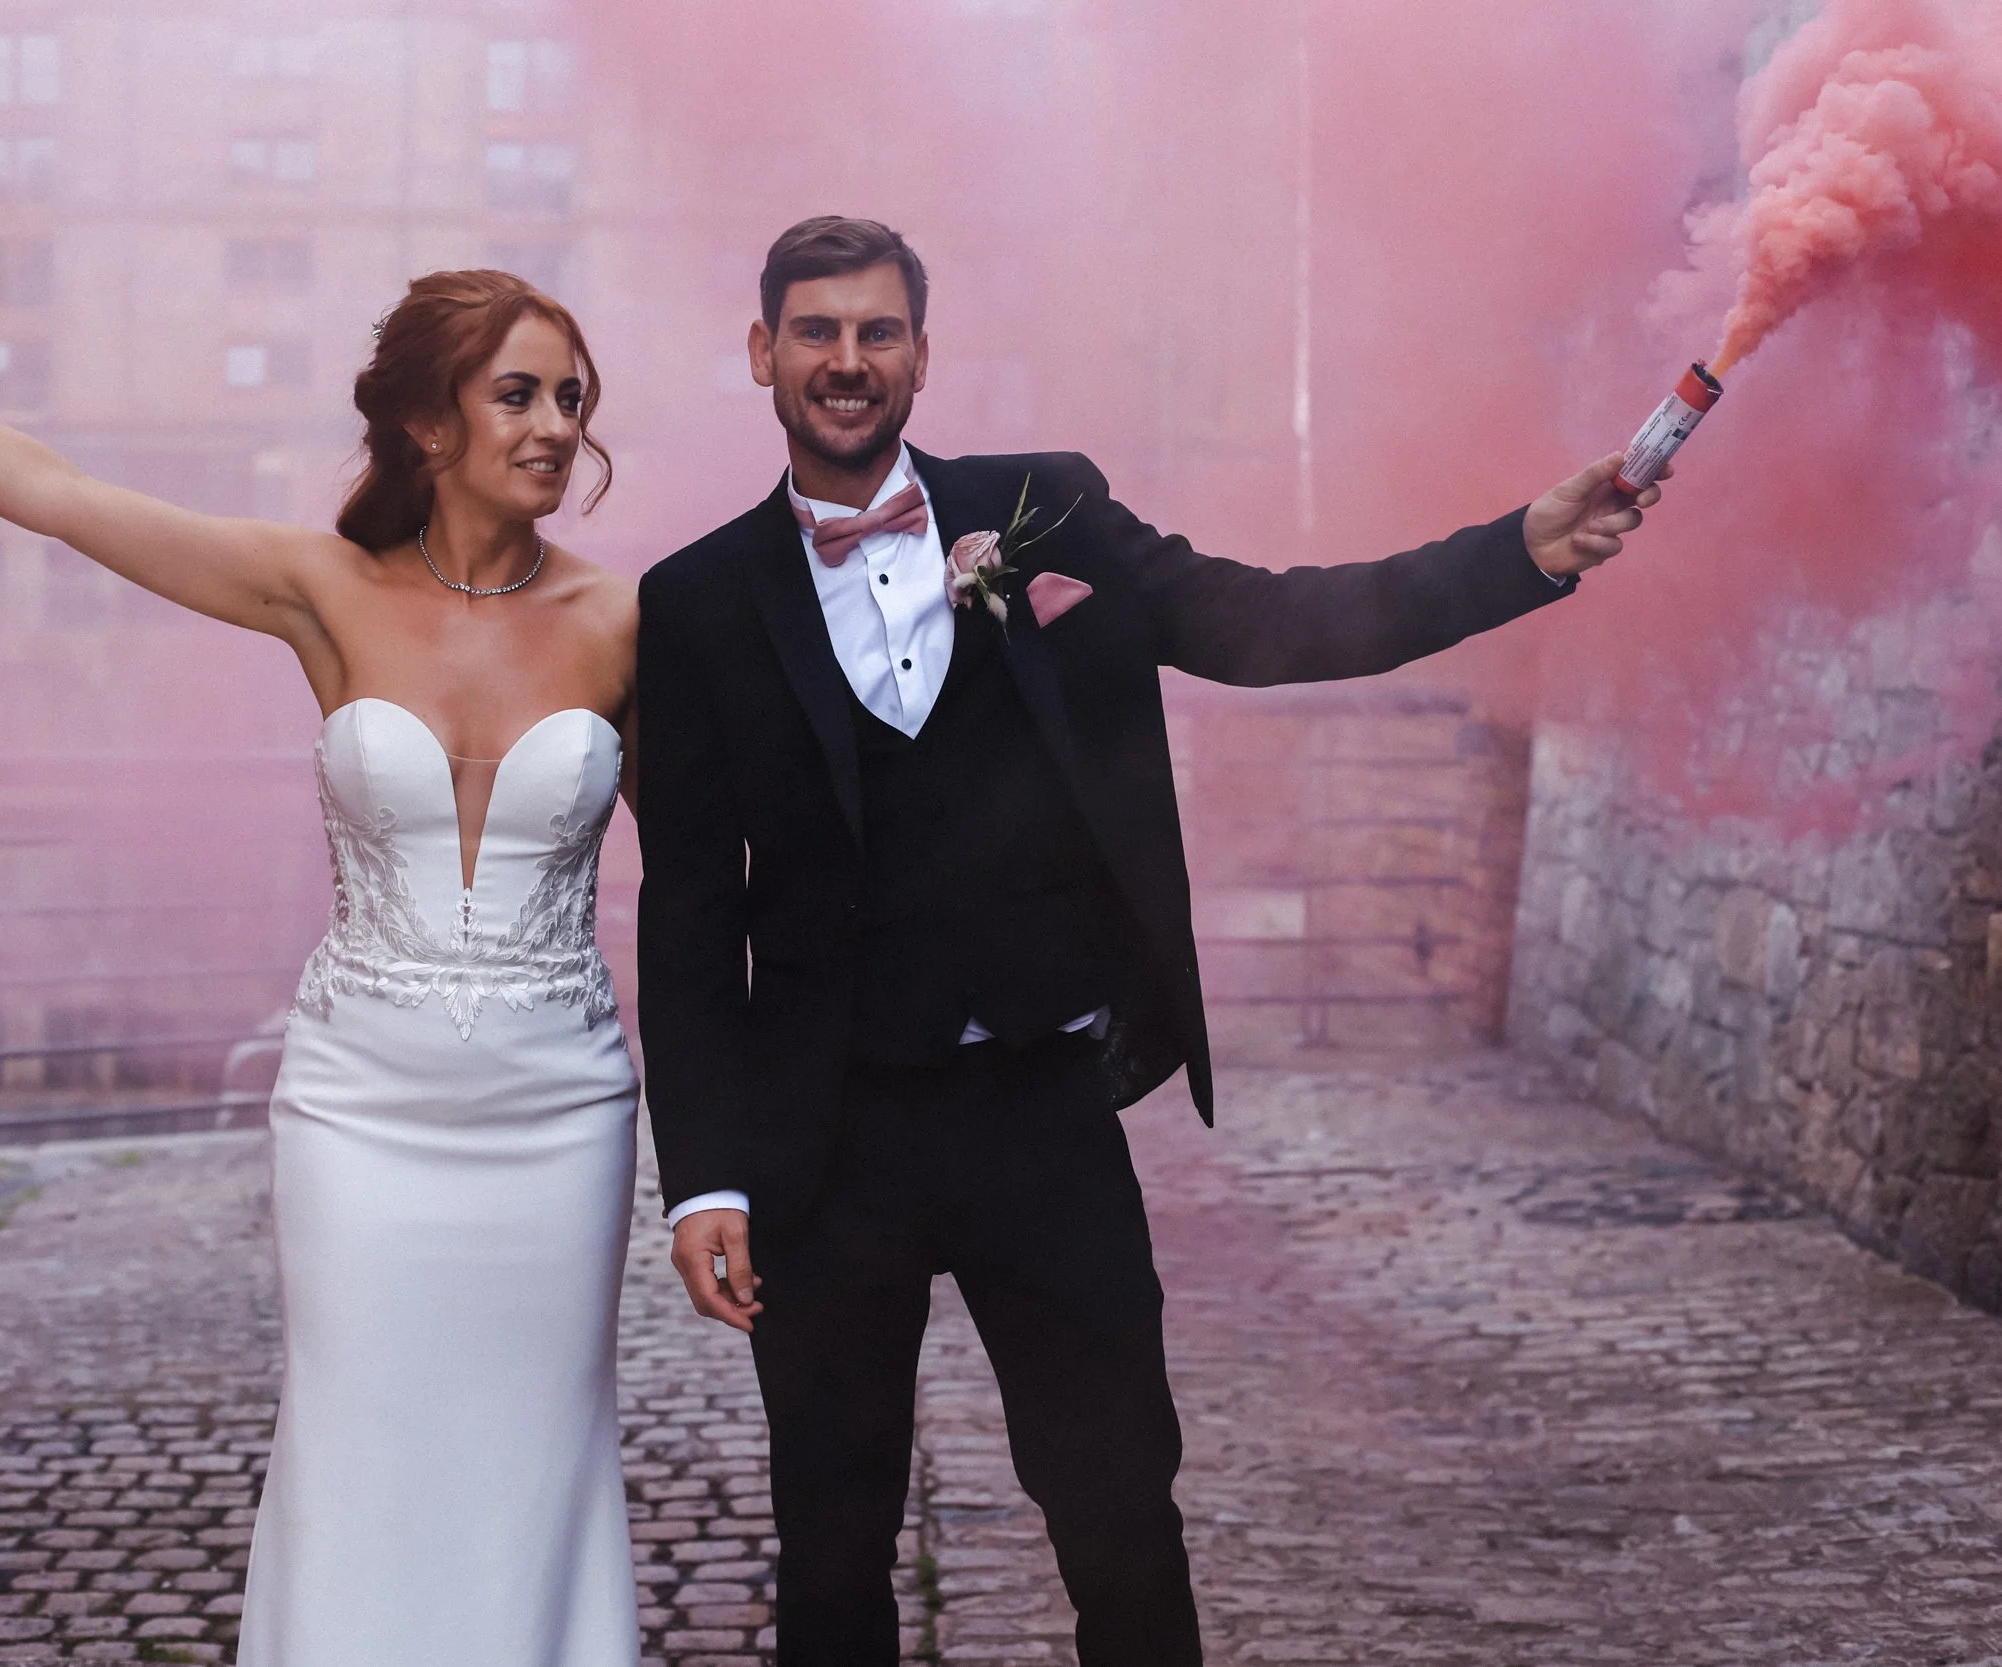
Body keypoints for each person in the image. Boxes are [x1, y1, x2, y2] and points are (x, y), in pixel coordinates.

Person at [634, 216, 1664, 1666]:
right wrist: (703, 1179)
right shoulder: (692, 602)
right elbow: (688, 916)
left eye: (877, 331)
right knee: (833, 1548)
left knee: (1120, 1514)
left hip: (1041, 1113)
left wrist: (1520, 553)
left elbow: (1262, 622)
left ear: (922, 355)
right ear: (764, 352)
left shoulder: (1043, 509)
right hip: (828, 1137)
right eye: (817, 331)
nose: (847, 360)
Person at [0, 269, 645, 1664]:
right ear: (428, 423)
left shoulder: (628, 621)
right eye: (519, 394)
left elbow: (771, 821)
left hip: (558, 1120)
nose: (557, 425)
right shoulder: (322, 589)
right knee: (360, 1450)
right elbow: (60, 496)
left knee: (538, 1457)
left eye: (572, 397)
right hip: (361, 1116)